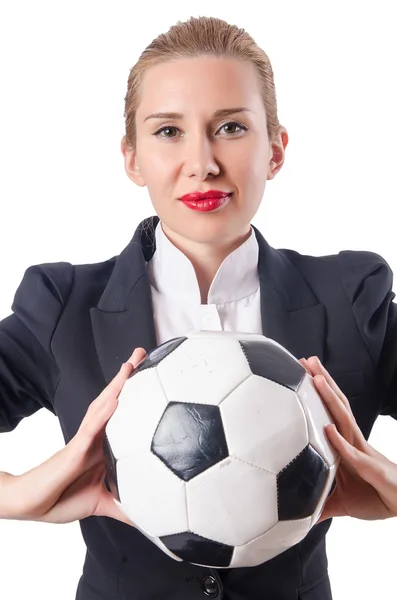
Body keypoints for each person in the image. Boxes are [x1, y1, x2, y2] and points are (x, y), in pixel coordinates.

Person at [0, 14, 396, 600]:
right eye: (168, 132)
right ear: (132, 158)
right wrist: (17, 495)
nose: (203, 162)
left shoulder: (350, 298)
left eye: (232, 127)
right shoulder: (63, 306)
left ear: (276, 150)